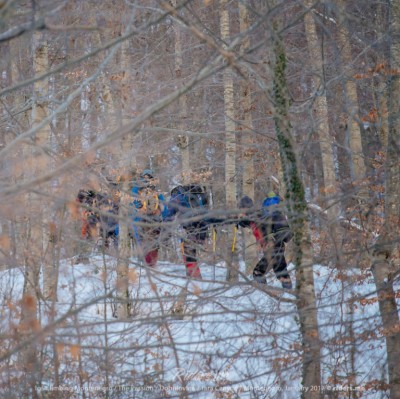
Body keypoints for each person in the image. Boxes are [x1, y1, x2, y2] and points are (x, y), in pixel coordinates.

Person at [165, 184, 226, 279]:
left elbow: (169, 214)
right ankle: (192, 274)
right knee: (190, 250)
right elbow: (206, 212)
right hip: (203, 225)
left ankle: (194, 275)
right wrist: (216, 221)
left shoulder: (177, 196)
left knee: (188, 251)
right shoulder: (199, 194)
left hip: (189, 226)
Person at [238, 192, 293, 289]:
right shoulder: (254, 216)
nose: (240, 211)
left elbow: (251, 221)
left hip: (272, 245)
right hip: (275, 245)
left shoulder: (256, 215)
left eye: (241, 209)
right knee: (280, 270)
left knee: (258, 272)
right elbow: (245, 222)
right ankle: (288, 291)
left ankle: (264, 292)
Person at [130, 169, 168, 267]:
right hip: (140, 220)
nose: (147, 179)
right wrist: (139, 209)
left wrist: (160, 211)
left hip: (153, 219)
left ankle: (151, 263)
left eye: (149, 177)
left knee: (153, 242)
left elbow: (163, 205)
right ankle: (146, 263)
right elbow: (131, 204)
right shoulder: (136, 189)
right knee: (144, 241)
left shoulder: (155, 190)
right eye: (145, 177)